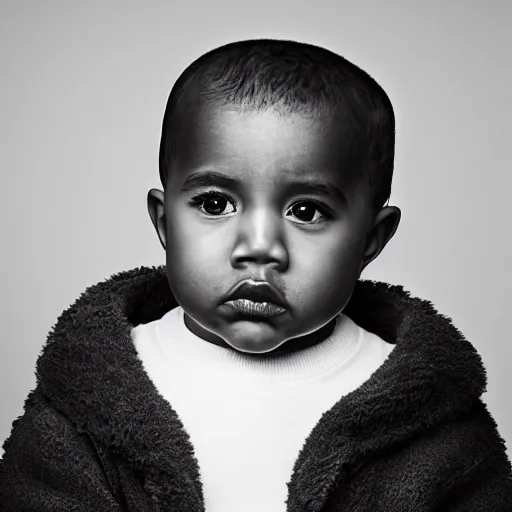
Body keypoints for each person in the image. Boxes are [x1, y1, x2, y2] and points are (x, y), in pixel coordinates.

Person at [1, 39, 511, 512]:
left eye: (307, 211)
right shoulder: (87, 404)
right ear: (164, 222)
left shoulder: (429, 420)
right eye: (216, 203)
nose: (260, 248)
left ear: (370, 241)